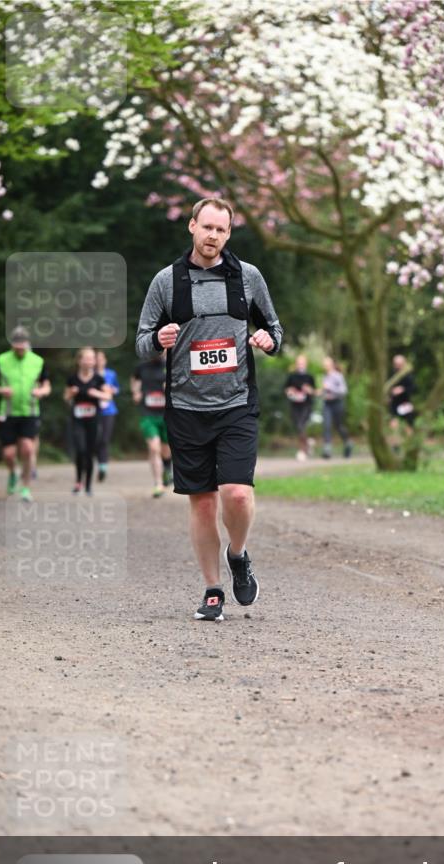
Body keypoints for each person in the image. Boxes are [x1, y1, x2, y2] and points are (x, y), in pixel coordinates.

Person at [135, 197, 283, 622]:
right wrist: (158, 339)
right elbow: (142, 340)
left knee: (236, 493)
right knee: (201, 503)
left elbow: (274, 327)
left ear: (229, 233)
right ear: (192, 226)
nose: (213, 236)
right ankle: (213, 590)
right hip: (185, 407)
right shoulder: (168, 282)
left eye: (221, 229)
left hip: (236, 403)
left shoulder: (246, 278)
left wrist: (270, 342)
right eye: (207, 227)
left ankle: (238, 554)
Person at [0, 326, 51, 502]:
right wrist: (0, 389)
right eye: (17, 344)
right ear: (12, 344)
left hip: (30, 412)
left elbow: (46, 385)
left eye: (23, 344)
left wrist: (41, 392)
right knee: (8, 454)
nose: (20, 347)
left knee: (28, 449)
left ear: (28, 343)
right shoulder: (2, 360)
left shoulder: (37, 361)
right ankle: (13, 471)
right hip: (6, 412)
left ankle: (26, 488)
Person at [64, 347, 110, 496]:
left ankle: (88, 485)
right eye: (87, 358)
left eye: (92, 358)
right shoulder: (72, 378)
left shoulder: (98, 379)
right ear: (79, 360)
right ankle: (78, 482)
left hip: (93, 421)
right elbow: (66, 398)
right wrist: (71, 393)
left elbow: (108, 396)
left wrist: (95, 393)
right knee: (80, 449)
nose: (90, 361)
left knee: (89, 452)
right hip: (77, 420)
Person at [130, 354, 173, 498]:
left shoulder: (171, 364)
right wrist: (135, 391)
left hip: (167, 414)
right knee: (154, 448)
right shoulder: (141, 367)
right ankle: (158, 484)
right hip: (147, 413)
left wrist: (171, 386)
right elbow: (134, 379)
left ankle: (167, 469)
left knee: (166, 450)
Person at [319, 356, 352, 459]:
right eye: (324, 364)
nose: (325, 366)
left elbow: (343, 391)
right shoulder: (325, 376)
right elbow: (325, 391)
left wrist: (330, 388)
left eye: (327, 364)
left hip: (337, 403)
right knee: (326, 425)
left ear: (331, 364)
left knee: (339, 426)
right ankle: (327, 450)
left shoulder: (338, 376)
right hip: (327, 404)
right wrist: (321, 393)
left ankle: (347, 443)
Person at [284, 354, 316, 460]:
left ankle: (302, 450)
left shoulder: (310, 377)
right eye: (299, 363)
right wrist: (290, 391)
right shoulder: (291, 376)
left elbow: (314, 391)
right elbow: (286, 389)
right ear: (296, 364)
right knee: (298, 426)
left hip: (306, 405)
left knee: (301, 426)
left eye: (302, 363)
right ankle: (308, 444)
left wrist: (309, 390)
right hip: (295, 405)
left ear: (306, 364)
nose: (300, 365)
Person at [95, 350, 120, 482]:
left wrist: (111, 390)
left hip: (109, 411)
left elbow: (117, 388)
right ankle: (98, 462)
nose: (99, 361)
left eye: (101, 359)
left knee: (104, 439)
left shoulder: (111, 374)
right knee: (96, 439)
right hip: (94, 411)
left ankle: (102, 467)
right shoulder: (91, 375)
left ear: (105, 360)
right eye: (96, 359)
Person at [388, 353, 417, 435]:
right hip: (394, 402)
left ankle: (410, 443)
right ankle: (395, 444)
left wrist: (402, 389)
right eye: (396, 364)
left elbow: (414, 388)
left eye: (400, 364)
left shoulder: (408, 375)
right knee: (393, 423)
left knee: (409, 424)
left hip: (405, 402)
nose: (398, 366)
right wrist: (390, 394)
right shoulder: (392, 374)